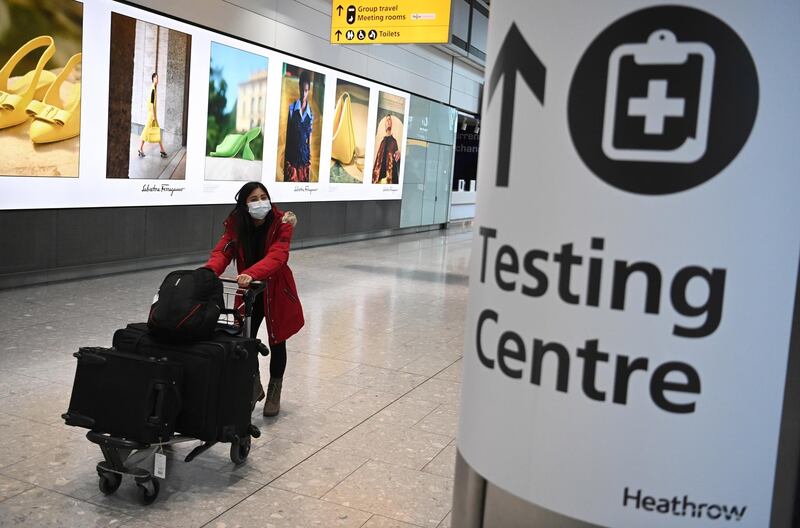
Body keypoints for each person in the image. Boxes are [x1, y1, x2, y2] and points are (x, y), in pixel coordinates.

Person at [204, 182, 304, 417]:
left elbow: (278, 255)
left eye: (263, 197)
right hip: (248, 291)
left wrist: (253, 273)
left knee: (277, 341)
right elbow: (223, 251)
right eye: (253, 199)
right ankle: (254, 384)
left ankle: (274, 390)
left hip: (276, 290)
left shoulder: (282, 223)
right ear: (244, 204)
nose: (260, 202)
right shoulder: (237, 225)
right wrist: (209, 271)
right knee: (244, 341)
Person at [283, 70, 313, 182]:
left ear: (308, 91)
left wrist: (308, 160)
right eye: (302, 89)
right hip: (291, 158)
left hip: (304, 160)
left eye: (306, 91)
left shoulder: (311, 115)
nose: (303, 94)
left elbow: (309, 140)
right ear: (299, 87)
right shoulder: (291, 109)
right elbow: (287, 135)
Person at [138, 72, 168, 159]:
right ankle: (141, 148)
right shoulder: (153, 89)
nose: (158, 80)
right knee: (147, 131)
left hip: (152, 115)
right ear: (153, 79)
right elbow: (151, 103)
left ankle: (161, 149)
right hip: (152, 116)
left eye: (158, 78)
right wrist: (153, 115)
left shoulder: (154, 88)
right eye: (157, 78)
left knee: (153, 131)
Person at [372, 115, 400, 184]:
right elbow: (377, 160)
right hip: (379, 179)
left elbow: (396, 162)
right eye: (386, 120)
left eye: (389, 119)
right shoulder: (382, 141)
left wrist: (399, 154)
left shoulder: (394, 141)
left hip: (389, 179)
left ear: (392, 123)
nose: (388, 121)